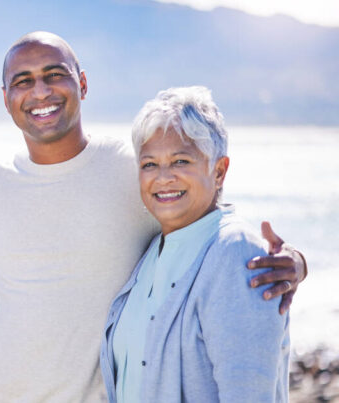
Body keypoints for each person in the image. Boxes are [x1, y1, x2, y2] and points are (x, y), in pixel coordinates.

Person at [0, 32, 305, 402]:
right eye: (23, 80)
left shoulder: (132, 169)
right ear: (5, 98)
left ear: (82, 83)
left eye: (54, 74)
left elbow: (210, 223)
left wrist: (294, 263)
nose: (41, 91)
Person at [100, 86, 289, 401]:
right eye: (149, 164)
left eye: (180, 161)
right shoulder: (151, 252)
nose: (163, 177)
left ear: (219, 171)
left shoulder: (235, 253)